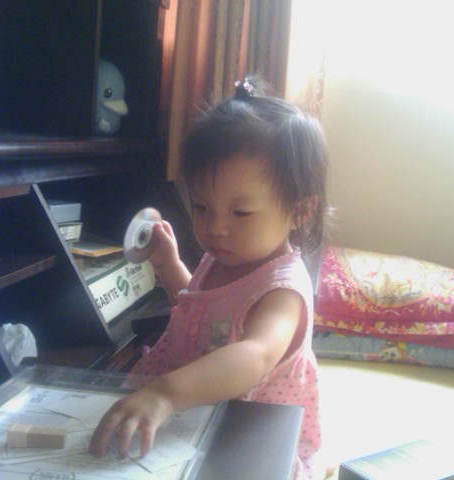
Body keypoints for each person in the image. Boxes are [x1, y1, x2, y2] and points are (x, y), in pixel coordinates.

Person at [89, 76, 330, 479]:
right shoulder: (220, 260)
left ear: (300, 210)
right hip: (196, 410)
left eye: (240, 213)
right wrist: (168, 264)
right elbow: (198, 309)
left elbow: (256, 353)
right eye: (201, 206)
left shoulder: (283, 290)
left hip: (246, 430)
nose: (216, 228)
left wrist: (166, 394)